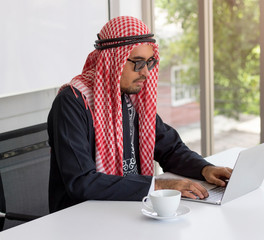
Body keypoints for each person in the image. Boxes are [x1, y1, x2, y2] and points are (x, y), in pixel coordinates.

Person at [47, 16, 232, 212]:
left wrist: (204, 169)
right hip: (80, 218)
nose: (145, 72)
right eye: (137, 63)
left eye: (149, 63)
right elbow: (82, 182)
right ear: (113, 61)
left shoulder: (131, 99)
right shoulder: (72, 102)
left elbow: (170, 149)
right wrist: (159, 185)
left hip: (127, 208)